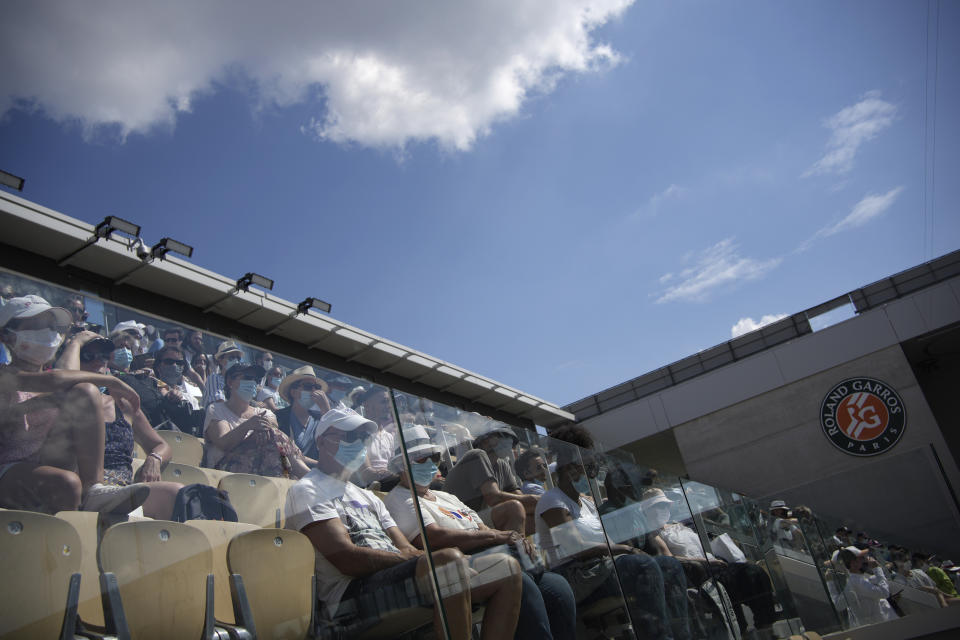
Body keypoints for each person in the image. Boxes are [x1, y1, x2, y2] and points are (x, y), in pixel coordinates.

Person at [284, 407, 483, 639]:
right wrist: (423, 559)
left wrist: (420, 558)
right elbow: (347, 560)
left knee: (505, 568)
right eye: (350, 436)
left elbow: (405, 547)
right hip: (349, 599)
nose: (358, 443)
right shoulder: (308, 489)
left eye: (363, 438)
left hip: (389, 579)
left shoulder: (367, 495)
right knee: (448, 563)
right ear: (322, 441)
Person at [382, 424, 551, 639]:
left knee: (555, 588)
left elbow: (480, 525)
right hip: (460, 561)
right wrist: (499, 536)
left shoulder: (446, 497)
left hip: (486, 551)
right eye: (420, 459)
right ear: (401, 465)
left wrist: (510, 538)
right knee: (521, 576)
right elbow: (433, 537)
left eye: (433, 457)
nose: (431, 464)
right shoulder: (400, 499)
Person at [535, 426, 690, 640]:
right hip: (575, 575)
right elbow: (575, 547)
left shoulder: (587, 505)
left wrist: (625, 551)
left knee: (669, 565)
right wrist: (626, 549)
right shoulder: (552, 500)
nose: (592, 471)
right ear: (570, 467)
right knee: (642, 566)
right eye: (587, 465)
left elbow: (606, 544)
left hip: (601, 569)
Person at [0, 295, 149, 514]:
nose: (49, 332)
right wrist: (112, 380)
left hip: (47, 462)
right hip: (9, 468)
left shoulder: (58, 379)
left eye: (52, 326)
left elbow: (65, 377)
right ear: (7, 336)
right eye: (38, 325)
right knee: (66, 483)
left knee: (86, 391)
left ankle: (93, 491)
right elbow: (54, 380)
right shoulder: (5, 374)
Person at [73, 336, 184, 519]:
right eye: (87, 355)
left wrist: (154, 459)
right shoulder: (63, 400)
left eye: (103, 356)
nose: (97, 361)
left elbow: (162, 446)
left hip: (123, 491)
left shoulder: (123, 405)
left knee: (176, 493)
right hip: (80, 486)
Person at [643, 487, 777, 635]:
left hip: (713, 564)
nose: (663, 509)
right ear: (648, 511)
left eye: (664, 505)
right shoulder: (654, 535)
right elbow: (669, 559)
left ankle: (765, 627)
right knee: (742, 577)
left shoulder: (679, 525)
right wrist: (704, 560)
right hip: (697, 572)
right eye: (658, 506)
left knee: (755, 572)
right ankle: (744, 630)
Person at [203, 361, 311, 478]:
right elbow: (223, 443)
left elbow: (275, 434)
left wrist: (261, 428)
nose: (253, 382)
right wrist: (248, 425)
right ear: (230, 382)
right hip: (224, 470)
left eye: (257, 379)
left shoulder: (262, 412)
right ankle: (311, 480)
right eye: (248, 377)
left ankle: (297, 480)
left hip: (259, 466)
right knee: (273, 435)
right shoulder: (216, 409)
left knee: (273, 437)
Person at [444, 424, 538, 534]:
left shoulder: (502, 464)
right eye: (502, 437)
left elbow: (519, 496)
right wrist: (534, 499)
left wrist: (538, 502)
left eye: (510, 439)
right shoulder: (476, 455)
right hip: (461, 521)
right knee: (513, 508)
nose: (509, 441)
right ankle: (518, 549)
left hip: (479, 519)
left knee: (536, 513)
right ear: (485, 441)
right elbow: (493, 497)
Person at [275, 365, 332, 464]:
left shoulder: (321, 418)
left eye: (317, 387)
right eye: (308, 386)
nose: (314, 391)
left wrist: (327, 409)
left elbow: (333, 445)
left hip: (314, 476)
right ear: (293, 392)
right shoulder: (278, 417)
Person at [836, 546, 899, 625]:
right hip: (880, 627)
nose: (866, 559)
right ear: (853, 563)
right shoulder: (856, 582)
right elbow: (884, 592)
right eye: (862, 558)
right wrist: (877, 569)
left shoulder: (860, 579)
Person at [152, 345, 204, 436]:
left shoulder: (190, 398)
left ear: (183, 367)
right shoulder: (149, 388)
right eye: (169, 361)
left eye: (179, 363)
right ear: (158, 366)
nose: (174, 365)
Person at [203, 340, 244, 409]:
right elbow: (219, 404)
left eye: (238, 358)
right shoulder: (214, 378)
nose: (236, 361)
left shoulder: (240, 382)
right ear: (220, 360)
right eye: (231, 358)